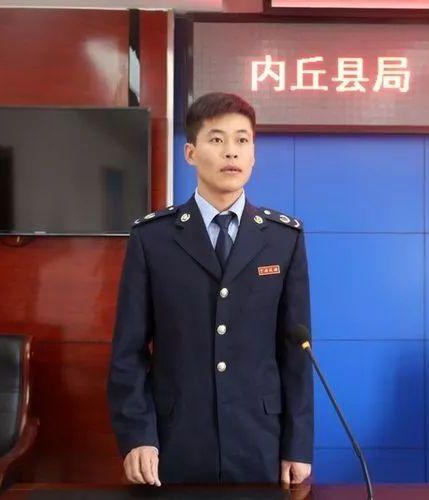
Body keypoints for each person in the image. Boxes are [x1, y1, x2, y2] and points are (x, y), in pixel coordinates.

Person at [107, 92, 313, 487]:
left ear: (253, 154)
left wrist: (298, 444)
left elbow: (296, 355)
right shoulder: (153, 238)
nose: (231, 152)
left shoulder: (283, 238)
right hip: (174, 440)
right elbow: (128, 352)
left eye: (242, 140)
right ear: (190, 153)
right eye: (217, 139)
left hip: (260, 441)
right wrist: (137, 435)